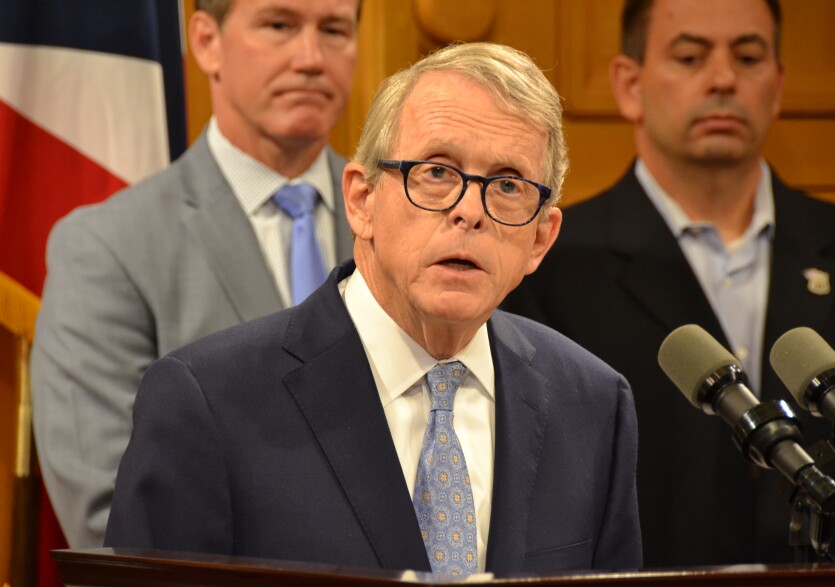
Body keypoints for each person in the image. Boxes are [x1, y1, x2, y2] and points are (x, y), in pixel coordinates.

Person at [103, 42, 642, 576]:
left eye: (506, 185)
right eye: (436, 172)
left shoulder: (591, 404)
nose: (470, 212)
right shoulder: (207, 402)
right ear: (362, 201)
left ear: (541, 239)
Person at [504, 0, 835, 568]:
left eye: (748, 56)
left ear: (777, 86)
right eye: (690, 56)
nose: (724, 79)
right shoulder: (546, 265)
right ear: (628, 84)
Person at [31, 0, 359, 548]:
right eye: (279, 25)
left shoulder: (413, 226)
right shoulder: (108, 246)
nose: (310, 57)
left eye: (333, 29)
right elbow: (114, 520)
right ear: (206, 41)